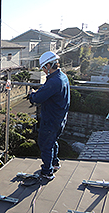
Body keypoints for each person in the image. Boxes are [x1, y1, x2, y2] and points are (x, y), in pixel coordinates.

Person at [29, 51, 70, 180]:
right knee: (52, 141)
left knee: (45, 144)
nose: (43, 70)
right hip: (60, 118)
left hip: (51, 119)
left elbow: (38, 98)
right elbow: (47, 91)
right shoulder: (62, 77)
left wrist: (32, 95)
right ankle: (54, 163)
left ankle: (47, 171)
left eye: (43, 68)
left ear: (48, 65)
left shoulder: (54, 81)